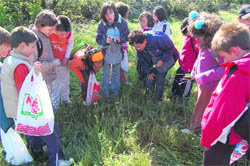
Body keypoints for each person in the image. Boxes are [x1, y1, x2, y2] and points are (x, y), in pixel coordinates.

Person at [1, 26, 71, 166]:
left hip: (19, 111)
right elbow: (27, 91)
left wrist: (34, 71)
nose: (34, 50)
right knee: (51, 132)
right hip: (30, 109)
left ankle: (38, 153)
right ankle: (58, 161)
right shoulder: (20, 66)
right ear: (22, 46)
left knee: (31, 132)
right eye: (32, 47)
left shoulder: (10, 59)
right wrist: (36, 74)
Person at [201, 22, 250, 166]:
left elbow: (224, 112)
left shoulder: (239, 74)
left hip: (223, 137)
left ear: (234, 51)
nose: (224, 62)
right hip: (238, 135)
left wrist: (208, 138)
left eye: (223, 56)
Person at [183, 12, 225, 133]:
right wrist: (194, 70)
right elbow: (200, 59)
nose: (196, 39)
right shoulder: (205, 43)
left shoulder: (217, 47)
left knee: (200, 108)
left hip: (209, 84)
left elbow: (224, 69)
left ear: (207, 34)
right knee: (198, 102)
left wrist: (202, 77)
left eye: (198, 37)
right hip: (201, 82)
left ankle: (194, 129)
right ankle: (201, 125)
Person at [128, 30, 177, 102]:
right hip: (153, 61)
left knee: (160, 79)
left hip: (167, 59)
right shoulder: (139, 47)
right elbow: (143, 61)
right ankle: (149, 97)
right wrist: (149, 72)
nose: (137, 49)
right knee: (149, 78)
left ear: (144, 40)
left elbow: (170, 48)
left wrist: (162, 60)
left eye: (138, 47)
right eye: (135, 47)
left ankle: (158, 100)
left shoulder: (158, 39)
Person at [96, 1, 129, 99]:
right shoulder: (102, 24)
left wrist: (121, 39)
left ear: (115, 12)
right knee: (105, 73)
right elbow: (98, 39)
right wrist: (105, 41)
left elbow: (127, 36)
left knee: (116, 73)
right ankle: (105, 92)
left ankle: (115, 92)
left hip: (118, 52)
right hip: (106, 52)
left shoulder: (122, 23)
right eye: (106, 14)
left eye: (111, 13)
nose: (109, 16)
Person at [171, 15, 199, 98]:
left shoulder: (195, 39)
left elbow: (199, 54)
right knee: (177, 80)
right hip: (183, 66)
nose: (184, 34)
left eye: (185, 32)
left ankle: (183, 100)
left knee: (186, 84)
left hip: (190, 69)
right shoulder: (187, 37)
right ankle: (174, 95)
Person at [49, 15, 74, 109]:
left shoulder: (68, 33)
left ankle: (66, 100)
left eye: (67, 34)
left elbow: (71, 43)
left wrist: (66, 57)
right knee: (54, 82)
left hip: (63, 59)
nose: (65, 36)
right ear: (55, 29)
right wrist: (50, 61)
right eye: (62, 34)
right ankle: (55, 103)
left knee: (64, 81)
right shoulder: (50, 32)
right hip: (52, 61)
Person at [31, 9, 58, 96]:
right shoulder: (35, 40)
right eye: (50, 29)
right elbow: (34, 64)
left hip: (46, 77)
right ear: (40, 26)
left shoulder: (43, 35)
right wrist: (52, 65)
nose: (52, 32)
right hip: (41, 80)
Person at [115, 2, 130, 85]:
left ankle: (113, 80)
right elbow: (126, 35)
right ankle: (124, 80)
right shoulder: (123, 22)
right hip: (122, 46)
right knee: (122, 64)